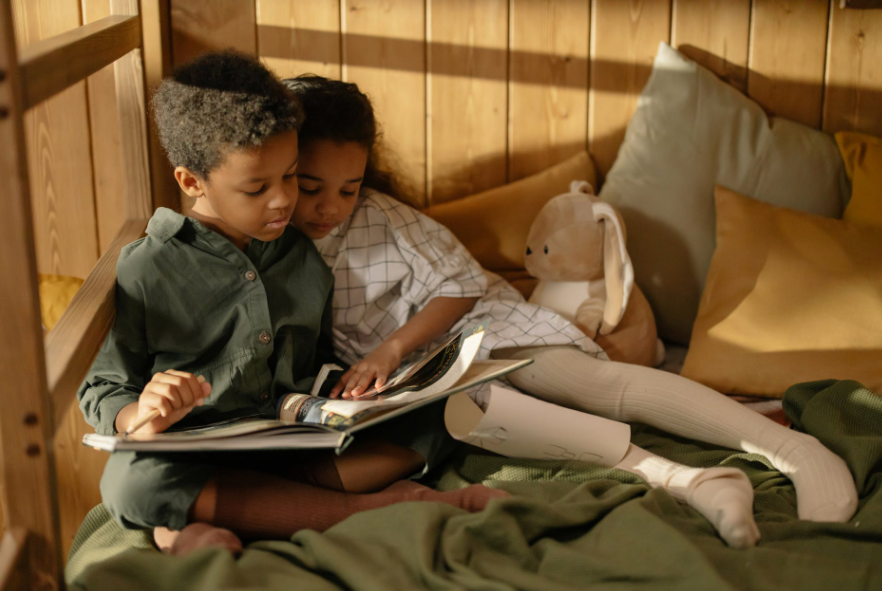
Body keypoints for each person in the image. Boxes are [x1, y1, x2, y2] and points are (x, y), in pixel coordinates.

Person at [284, 74, 860, 549]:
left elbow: (460, 285)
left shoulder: (384, 218)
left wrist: (391, 348)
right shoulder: (275, 239)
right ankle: (700, 484)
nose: (330, 207)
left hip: (478, 328)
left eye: (348, 189)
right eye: (311, 188)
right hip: (424, 384)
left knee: (592, 386)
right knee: (522, 428)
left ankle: (795, 451)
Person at [77, 52, 506, 558]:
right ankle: (377, 508)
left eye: (290, 177)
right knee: (130, 482)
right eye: (257, 187)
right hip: (196, 450)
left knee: (442, 414)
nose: (283, 200)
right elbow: (103, 388)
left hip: (292, 442)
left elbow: (316, 358)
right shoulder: (146, 268)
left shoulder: (302, 256)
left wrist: (356, 394)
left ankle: (201, 524)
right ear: (193, 183)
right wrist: (139, 414)